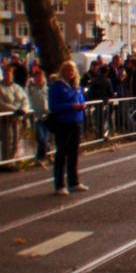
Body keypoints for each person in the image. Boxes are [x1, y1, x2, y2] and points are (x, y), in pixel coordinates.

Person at [48, 60, 87, 195]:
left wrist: (82, 105)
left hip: (76, 120)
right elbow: (53, 106)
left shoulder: (76, 86)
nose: (70, 73)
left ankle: (74, 182)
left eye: (72, 70)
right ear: (62, 71)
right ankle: (60, 184)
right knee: (62, 153)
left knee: (74, 153)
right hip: (63, 122)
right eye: (67, 70)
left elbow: (82, 99)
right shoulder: (57, 86)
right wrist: (70, 106)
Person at [0, 67, 29, 163]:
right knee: (7, 140)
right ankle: (6, 162)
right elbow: (0, 104)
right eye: (6, 73)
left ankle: (13, 160)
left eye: (9, 73)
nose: (7, 75)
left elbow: (25, 99)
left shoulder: (17, 87)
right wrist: (15, 110)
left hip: (17, 118)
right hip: (6, 118)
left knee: (16, 140)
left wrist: (23, 109)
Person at [27, 68, 50, 166]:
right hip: (36, 117)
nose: (39, 79)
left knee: (46, 138)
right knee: (41, 138)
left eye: (41, 77)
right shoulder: (31, 89)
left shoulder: (47, 89)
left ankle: (45, 156)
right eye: (37, 77)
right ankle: (40, 157)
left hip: (47, 116)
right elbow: (27, 101)